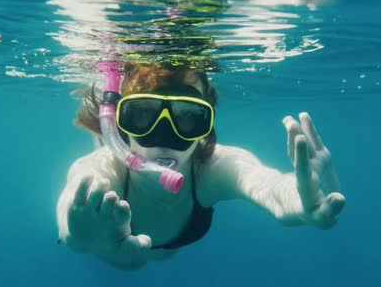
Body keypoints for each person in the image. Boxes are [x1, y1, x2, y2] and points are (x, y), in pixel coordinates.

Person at [56, 63, 345, 270]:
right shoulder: (105, 169)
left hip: (168, 244)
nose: (164, 136)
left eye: (188, 118)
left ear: (205, 127)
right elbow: (79, 185)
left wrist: (297, 201)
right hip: (117, 247)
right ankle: (101, 134)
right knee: (131, 261)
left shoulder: (212, 167)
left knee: (159, 256)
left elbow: (264, 183)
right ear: (119, 124)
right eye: (142, 115)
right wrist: (74, 235)